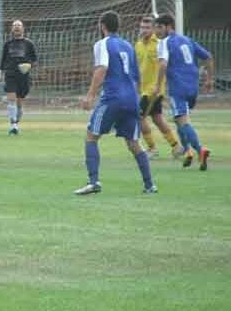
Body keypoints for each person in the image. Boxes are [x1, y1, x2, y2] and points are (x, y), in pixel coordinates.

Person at [74, 11, 156, 195]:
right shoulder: (128, 45)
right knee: (133, 142)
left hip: (113, 97)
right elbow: (137, 77)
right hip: (132, 98)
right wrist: (137, 102)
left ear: (102, 26)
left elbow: (101, 69)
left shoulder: (102, 44)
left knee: (91, 136)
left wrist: (90, 96)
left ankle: (93, 182)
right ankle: (150, 185)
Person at [152, 14, 214, 170]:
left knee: (183, 121)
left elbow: (163, 64)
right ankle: (188, 152)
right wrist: (209, 79)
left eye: (159, 27)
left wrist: (158, 86)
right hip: (193, 87)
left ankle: (200, 150)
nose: (156, 31)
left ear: (168, 27)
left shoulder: (164, 43)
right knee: (178, 119)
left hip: (178, 88)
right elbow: (208, 57)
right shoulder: (187, 40)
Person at [134, 16, 182, 159]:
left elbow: (164, 65)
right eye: (142, 27)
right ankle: (176, 146)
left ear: (154, 29)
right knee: (157, 118)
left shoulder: (160, 44)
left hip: (154, 89)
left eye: (147, 27)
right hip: (144, 89)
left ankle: (152, 149)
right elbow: (138, 67)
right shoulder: (138, 45)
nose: (144, 30)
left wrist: (159, 85)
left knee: (139, 117)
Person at [0, 20, 37, 135]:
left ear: (23, 28)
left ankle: (16, 123)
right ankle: (13, 125)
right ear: (12, 29)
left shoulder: (29, 44)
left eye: (19, 25)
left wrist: (29, 65)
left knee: (19, 103)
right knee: (11, 99)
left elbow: (35, 60)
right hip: (10, 74)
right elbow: (3, 59)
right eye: (14, 26)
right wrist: (0, 70)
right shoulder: (7, 44)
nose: (16, 27)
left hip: (23, 76)